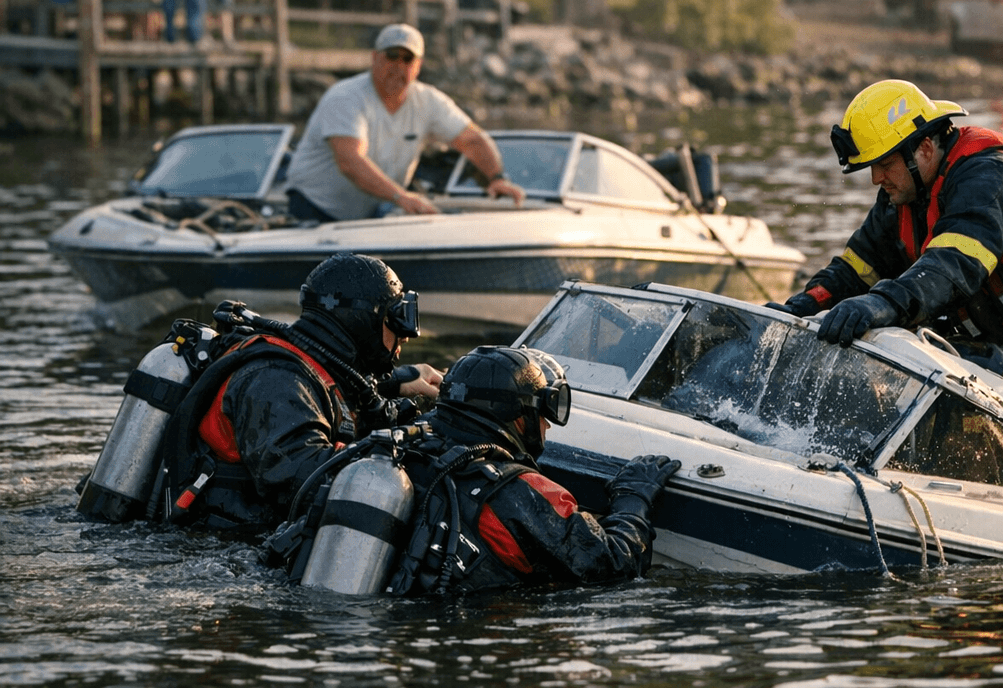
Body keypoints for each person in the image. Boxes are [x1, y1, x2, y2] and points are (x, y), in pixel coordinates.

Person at [767, 79, 1003, 372]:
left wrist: (881, 303)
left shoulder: (988, 178)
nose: (875, 178)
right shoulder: (902, 196)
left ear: (925, 148)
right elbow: (856, 269)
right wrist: (801, 306)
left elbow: (952, 266)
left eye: (884, 164)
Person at [320, 346, 675, 593]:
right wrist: (634, 499)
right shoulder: (517, 491)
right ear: (521, 417)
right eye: (544, 416)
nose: (548, 428)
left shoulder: (396, 449)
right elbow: (612, 565)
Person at [154, 252, 443, 535]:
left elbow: (352, 392)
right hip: (214, 552)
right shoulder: (276, 380)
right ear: (361, 319)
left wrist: (402, 382)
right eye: (396, 318)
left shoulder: (312, 365)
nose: (406, 334)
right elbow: (303, 478)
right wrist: (412, 455)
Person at [283, 23, 526, 223]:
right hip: (313, 210)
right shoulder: (345, 97)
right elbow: (350, 162)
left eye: (407, 59)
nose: (397, 66)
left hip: (366, 216)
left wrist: (497, 178)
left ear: (418, 66)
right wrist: (402, 197)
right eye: (391, 56)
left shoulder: (428, 100)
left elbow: (472, 140)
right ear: (374, 58)